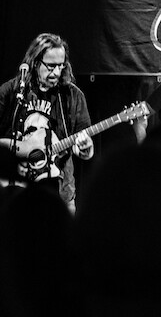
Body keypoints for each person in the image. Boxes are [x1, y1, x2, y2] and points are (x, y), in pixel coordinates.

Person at [0, 32, 94, 212]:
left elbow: (87, 149)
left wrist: (85, 148)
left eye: (61, 65)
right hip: (14, 192)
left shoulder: (73, 96)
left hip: (60, 194)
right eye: (51, 66)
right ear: (35, 62)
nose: (57, 72)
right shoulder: (12, 91)